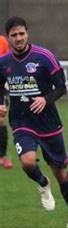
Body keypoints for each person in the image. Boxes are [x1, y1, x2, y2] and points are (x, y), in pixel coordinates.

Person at [0, 16, 68, 228]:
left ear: (27, 33)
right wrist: (1, 103)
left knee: (60, 173)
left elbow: (62, 87)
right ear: (8, 38)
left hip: (48, 123)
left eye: (21, 33)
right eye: (14, 35)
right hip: (21, 121)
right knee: (27, 162)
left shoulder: (44, 57)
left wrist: (46, 99)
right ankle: (43, 184)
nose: (18, 38)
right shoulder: (4, 63)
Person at [0, 34, 13, 168]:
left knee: (1, 120)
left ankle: (3, 156)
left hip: (0, 88)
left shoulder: (2, 41)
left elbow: (7, 62)